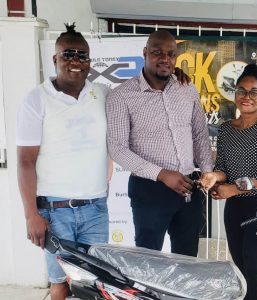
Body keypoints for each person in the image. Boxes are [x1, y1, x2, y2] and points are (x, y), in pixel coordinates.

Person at [16, 24, 110, 300]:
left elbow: (138, 99)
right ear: (54, 59)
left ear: (89, 62)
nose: (75, 61)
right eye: (68, 54)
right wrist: (31, 214)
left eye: (82, 55)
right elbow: (24, 161)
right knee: (60, 285)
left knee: (97, 286)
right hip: (54, 212)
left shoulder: (102, 95)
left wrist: (172, 76)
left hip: (96, 209)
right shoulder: (37, 99)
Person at [106, 30, 213, 257]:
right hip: (149, 189)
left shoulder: (187, 89)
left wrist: (206, 172)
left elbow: (199, 134)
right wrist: (162, 174)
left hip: (189, 187)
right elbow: (117, 148)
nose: (165, 59)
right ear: (145, 53)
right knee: (148, 261)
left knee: (187, 261)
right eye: (157, 53)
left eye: (170, 54)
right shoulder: (121, 96)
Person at [200, 64, 257, 300]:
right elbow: (224, 169)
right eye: (241, 91)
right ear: (235, 94)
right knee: (242, 272)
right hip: (236, 210)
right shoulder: (226, 129)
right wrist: (214, 177)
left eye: (253, 92)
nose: (246, 97)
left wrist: (233, 189)